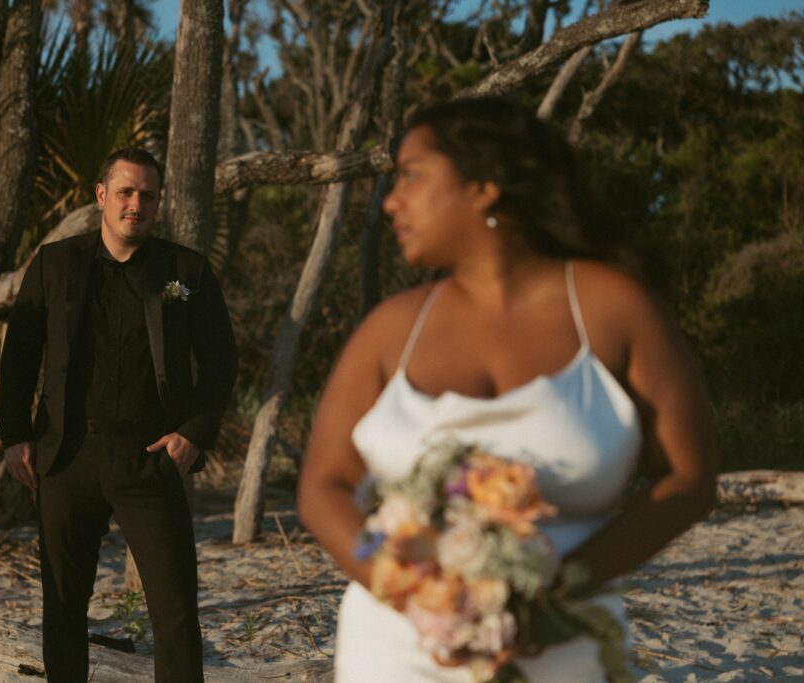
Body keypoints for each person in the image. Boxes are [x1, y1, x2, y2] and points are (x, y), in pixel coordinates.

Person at [297, 98, 717, 681]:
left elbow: (689, 479)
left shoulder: (614, 309)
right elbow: (324, 485)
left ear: (484, 186)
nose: (392, 200)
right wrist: (413, 594)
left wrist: (553, 591)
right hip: (397, 648)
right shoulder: (391, 330)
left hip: (563, 644)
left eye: (412, 175)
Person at [0, 147, 238, 683]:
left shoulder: (184, 270)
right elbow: (19, 356)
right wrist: (13, 435)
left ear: (158, 203)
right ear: (101, 195)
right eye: (126, 192)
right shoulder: (55, 263)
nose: (137, 204)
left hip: (149, 459)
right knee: (62, 604)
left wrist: (194, 433)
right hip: (65, 456)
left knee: (174, 610)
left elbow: (222, 360)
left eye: (147, 195)